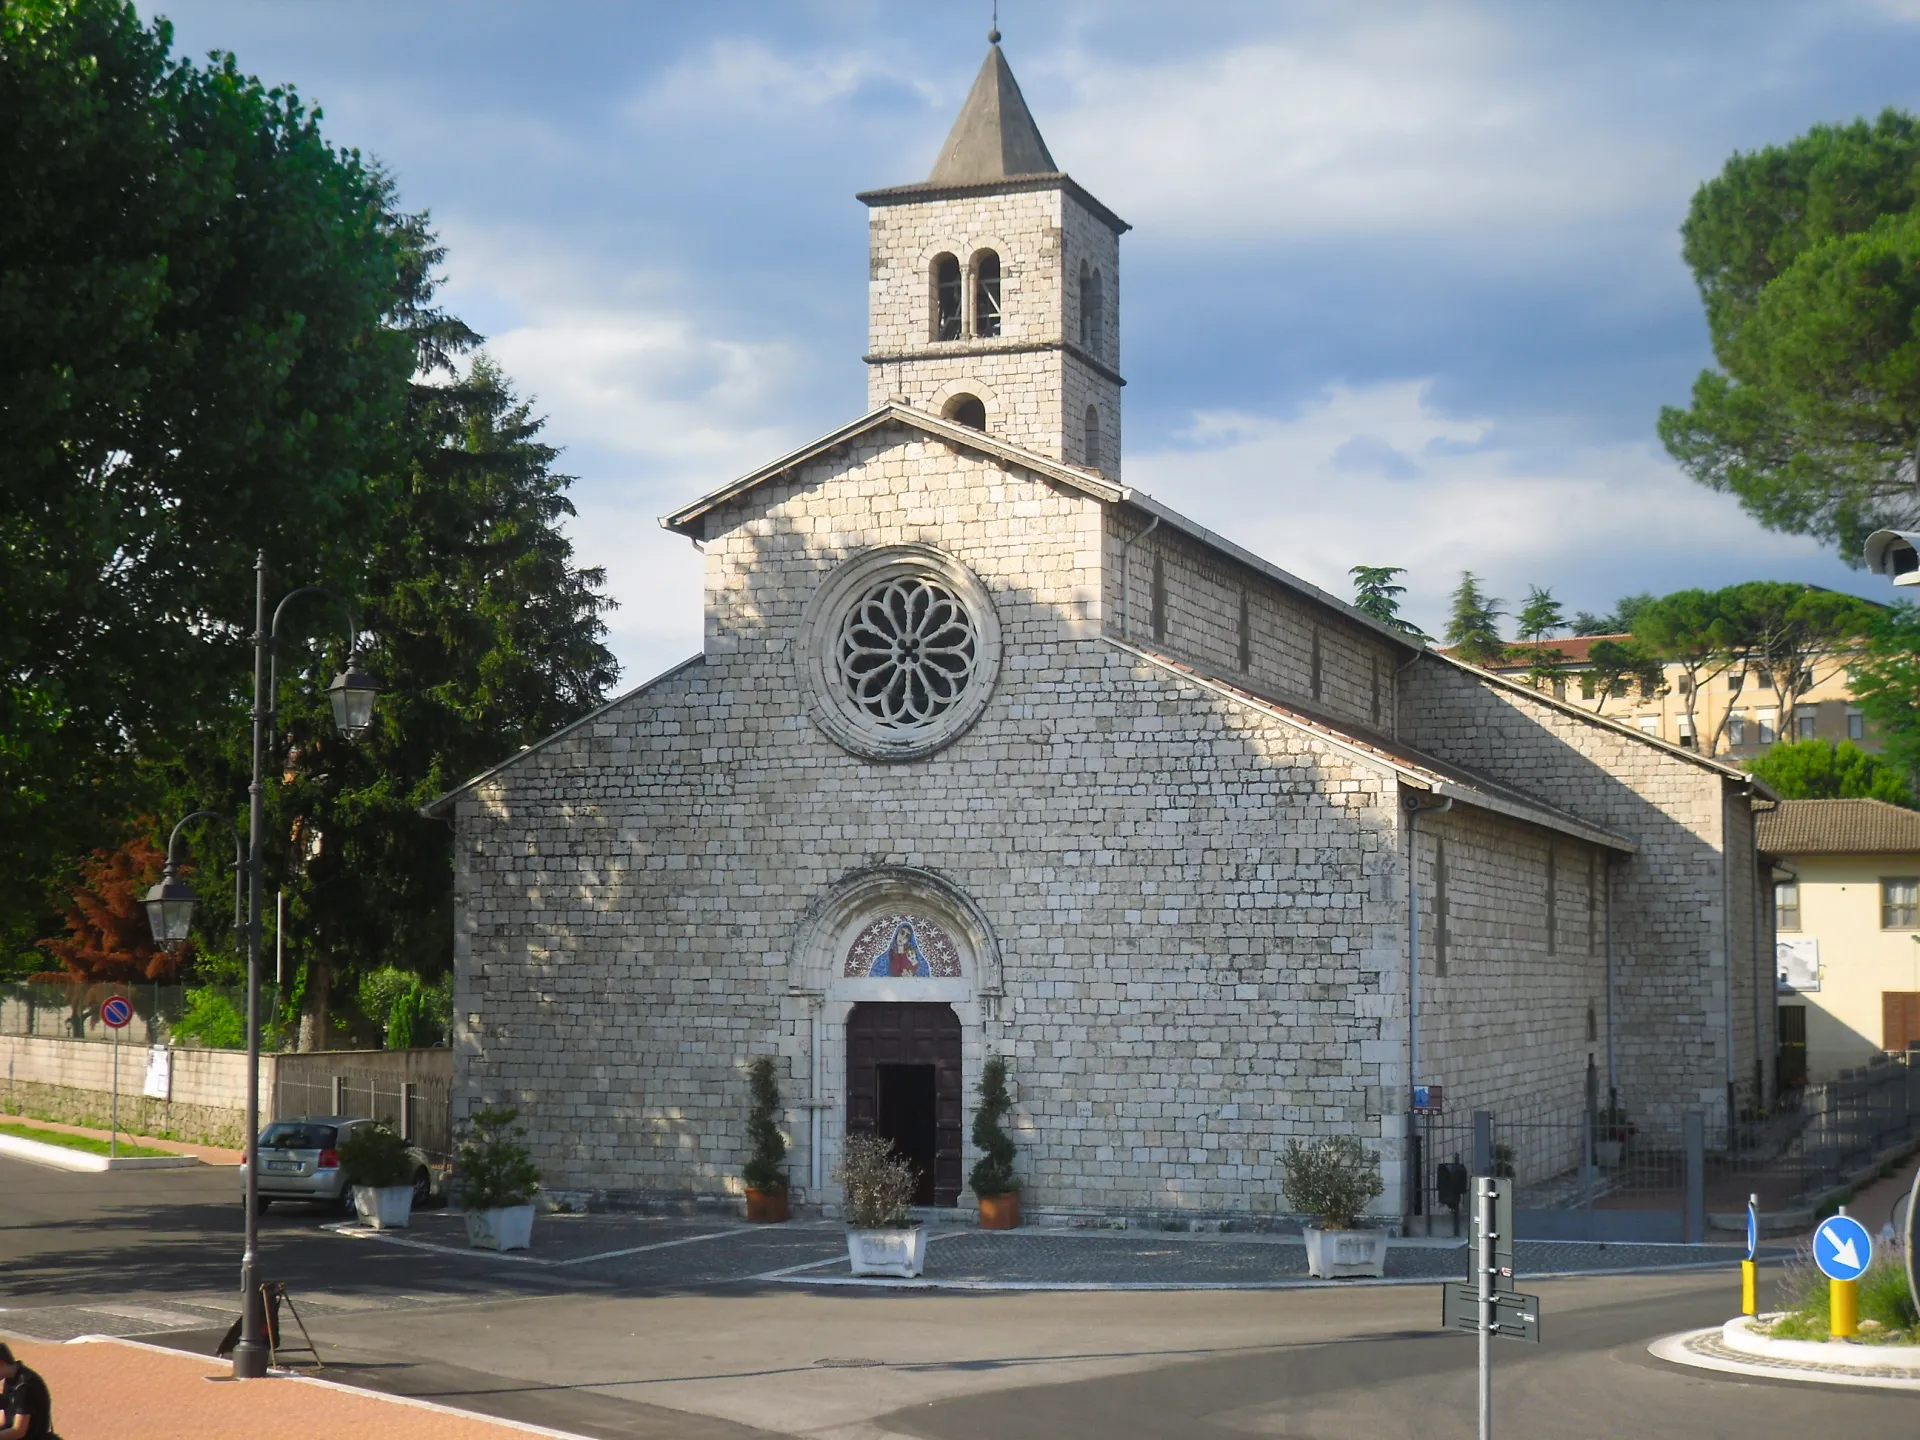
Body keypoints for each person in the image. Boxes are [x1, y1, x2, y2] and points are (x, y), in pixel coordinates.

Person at [0, 1343, 53, 1440]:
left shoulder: (24, 1386)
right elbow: (4, 1418)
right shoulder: (10, 1378)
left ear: (1, 1363)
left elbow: (18, 1431)